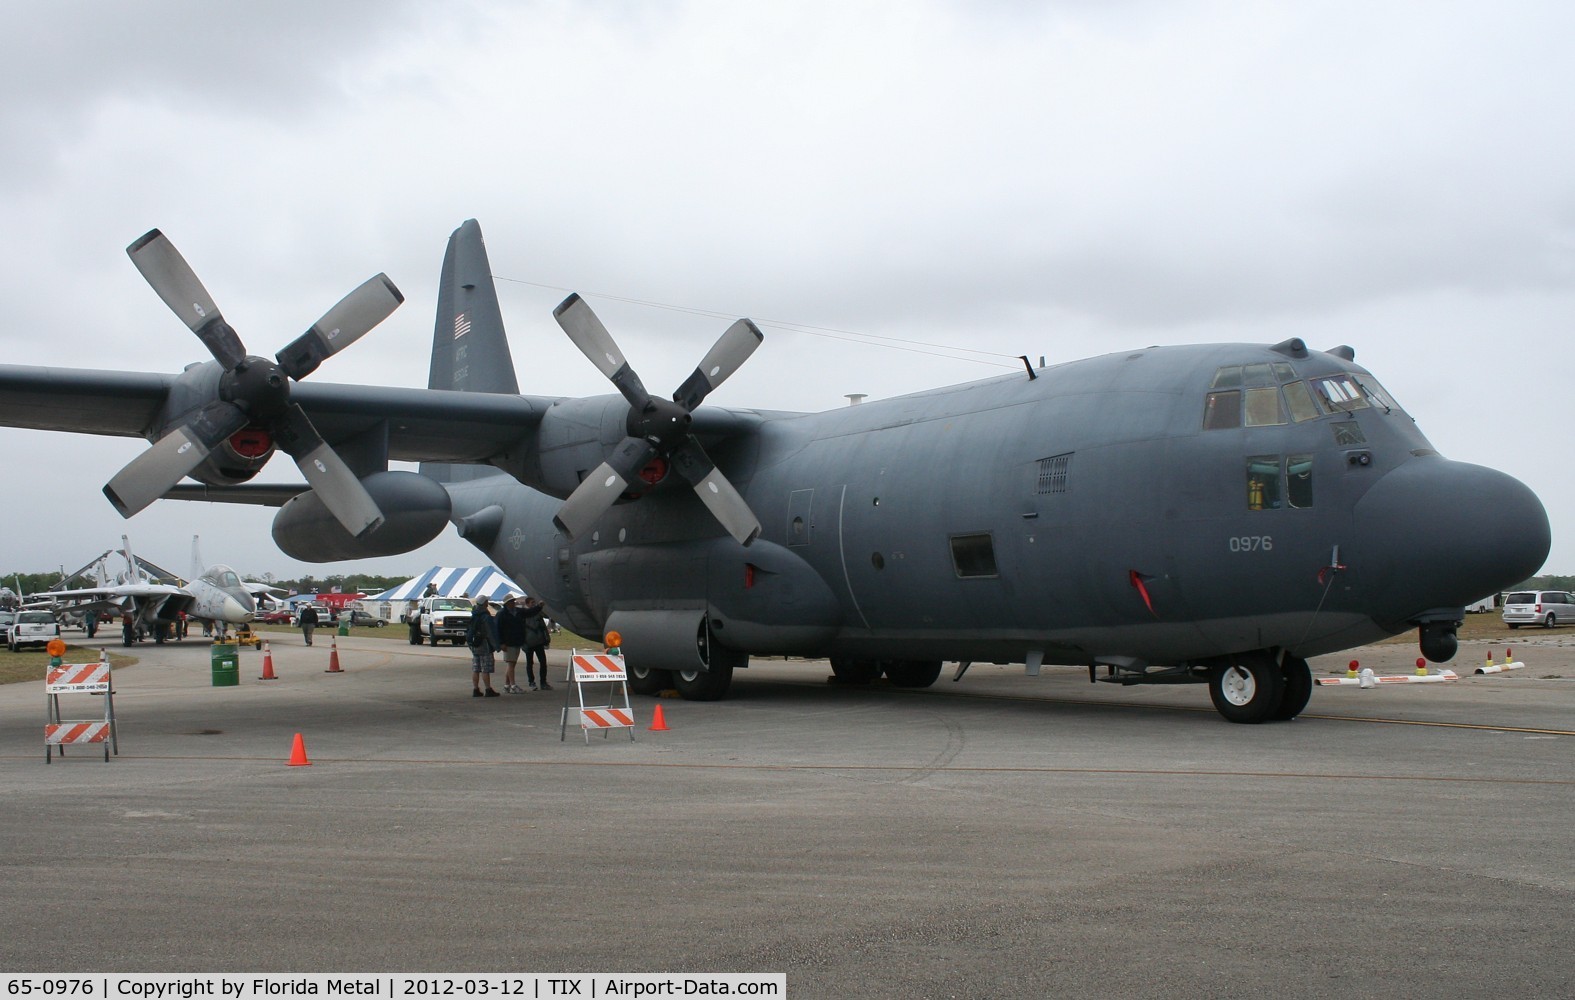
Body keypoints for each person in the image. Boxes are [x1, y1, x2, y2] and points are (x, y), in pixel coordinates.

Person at [466, 597, 501, 697]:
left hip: (474, 644)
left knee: (476, 668)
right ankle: (488, 689)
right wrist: (497, 646)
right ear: (485, 603)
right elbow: (491, 632)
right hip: (484, 645)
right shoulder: (486, 616)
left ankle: (475, 689)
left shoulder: (474, 615)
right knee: (485, 668)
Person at [496, 596, 527, 692]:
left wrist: (538, 607)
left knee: (512, 664)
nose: (514, 603)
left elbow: (528, 613)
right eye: (512, 601)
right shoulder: (502, 614)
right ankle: (513, 685)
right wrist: (501, 643)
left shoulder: (515, 612)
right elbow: (498, 629)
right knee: (511, 663)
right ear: (507, 603)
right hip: (508, 642)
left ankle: (507, 685)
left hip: (516, 641)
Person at [522, 596, 552, 690]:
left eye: (534, 602)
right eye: (532, 603)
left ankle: (543, 682)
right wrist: (523, 643)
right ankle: (531, 682)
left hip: (539, 641)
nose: (533, 604)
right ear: (527, 604)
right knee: (530, 663)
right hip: (528, 642)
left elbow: (543, 627)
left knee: (543, 662)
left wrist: (547, 639)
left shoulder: (538, 614)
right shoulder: (523, 615)